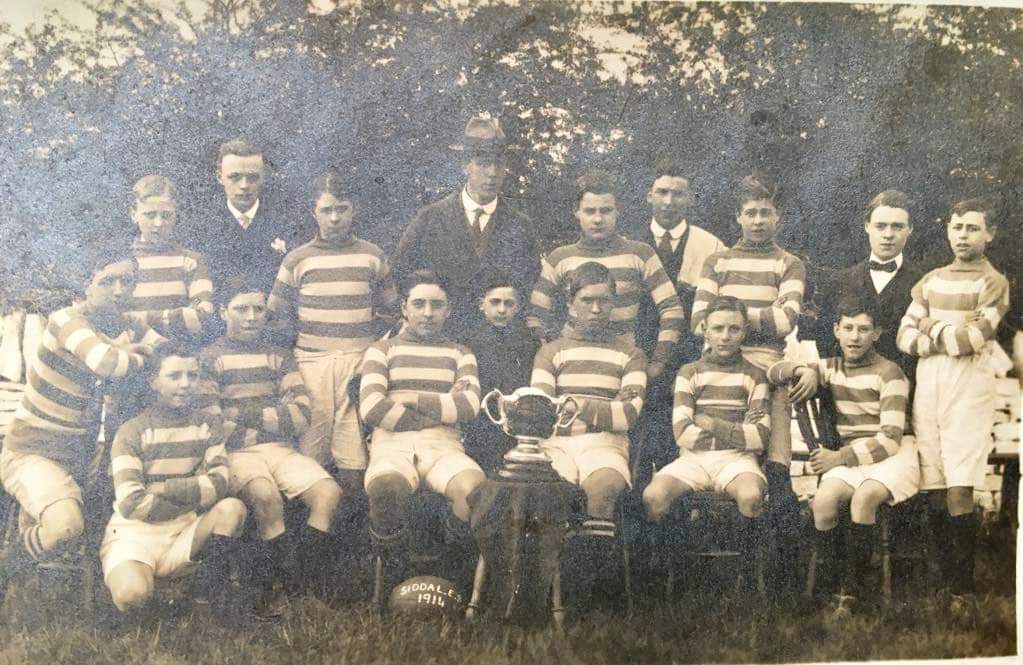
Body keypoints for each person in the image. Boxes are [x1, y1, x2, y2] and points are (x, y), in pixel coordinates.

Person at [0, 249, 164, 603]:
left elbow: (164, 355)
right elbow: (107, 362)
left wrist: (134, 349)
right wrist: (134, 353)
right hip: (33, 451)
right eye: (107, 281)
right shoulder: (65, 319)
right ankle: (8, 566)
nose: (119, 290)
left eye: (127, 281)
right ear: (85, 284)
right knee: (66, 528)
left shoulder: (128, 323)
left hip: (86, 458)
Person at [690, 173, 806, 599]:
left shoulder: (788, 263)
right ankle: (713, 571)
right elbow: (698, 320)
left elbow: (787, 319)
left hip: (765, 361)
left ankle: (772, 574)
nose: (758, 221)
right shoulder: (716, 261)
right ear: (737, 216)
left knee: (774, 451)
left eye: (766, 213)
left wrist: (730, 314)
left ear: (778, 216)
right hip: (718, 362)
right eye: (751, 213)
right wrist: (747, 319)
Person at [200, 279, 343, 612]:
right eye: (241, 309)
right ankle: (274, 591)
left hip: (279, 449)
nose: (251, 317)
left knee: (328, 493)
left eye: (258, 309)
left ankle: (302, 587)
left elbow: (301, 414)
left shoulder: (279, 356)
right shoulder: (210, 358)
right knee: (265, 495)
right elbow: (213, 424)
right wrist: (269, 418)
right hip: (235, 453)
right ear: (223, 312)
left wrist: (241, 413)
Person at [896, 197, 1010, 615]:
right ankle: (942, 582)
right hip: (929, 384)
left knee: (961, 485)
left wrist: (930, 327)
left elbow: (972, 342)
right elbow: (903, 337)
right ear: (948, 230)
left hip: (969, 389)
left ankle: (962, 590)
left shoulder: (993, 282)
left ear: (989, 234)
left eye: (973, 228)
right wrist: (942, 332)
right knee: (934, 485)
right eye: (958, 227)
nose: (964, 236)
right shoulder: (929, 280)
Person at [769, 296, 917, 614]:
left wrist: (839, 457)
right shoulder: (830, 368)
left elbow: (890, 438)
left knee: (864, 499)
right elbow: (774, 372)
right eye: (847, 328)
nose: (855, 337)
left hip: (892, 456)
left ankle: (855, 590)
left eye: (864, 329)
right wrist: (801, 369)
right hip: (852, 456)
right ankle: (830, 585)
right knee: (823, 501)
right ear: (836, 330)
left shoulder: (890, 374)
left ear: (877, 333)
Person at [358, 270, 485, 592]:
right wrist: (443, 407)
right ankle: (395, 579)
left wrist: (407, 398)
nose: (428, 313)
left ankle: (447, 574)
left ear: (449, 309)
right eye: (419, 304)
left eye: (436, 305)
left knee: (474, 490)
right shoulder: (381, 350)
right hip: (392, 445)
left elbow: (469, 405)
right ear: (404, 307)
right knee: (385, 488)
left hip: (445, 446)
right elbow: (372, 407)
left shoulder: (460, 352)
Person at [267, 173, 398, 482]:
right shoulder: (297, 259)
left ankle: (351, 525)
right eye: (327, 210)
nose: (335, 217)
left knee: (354, 455)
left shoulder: (372, 255)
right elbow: (276, 316)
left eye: (342, 208)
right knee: (310, 450)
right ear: (314, 212)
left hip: (357, 362)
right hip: (311, 363)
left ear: (354, 210)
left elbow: (394, 313)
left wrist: (373, 357)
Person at [531, 262, 647, 608]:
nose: (596, 310)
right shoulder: (551, 351)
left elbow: (627, 415)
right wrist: (600, 409)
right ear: (569, 305)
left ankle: (587, 595)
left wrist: (574, 404)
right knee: (552, 494)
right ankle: (550, 593)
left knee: (602, 488)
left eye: (604, 301)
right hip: (557, 445)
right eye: (587, 300)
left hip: (606, 445)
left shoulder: (631, 354)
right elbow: (542, 414)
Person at [101, 344, 247, 617]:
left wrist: (164, 488)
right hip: (135, 534)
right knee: (132, 597)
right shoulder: (133, 430)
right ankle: (163, 591)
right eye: (174, 376)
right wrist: (192, 490)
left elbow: (219, 484)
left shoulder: (207, 425)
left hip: (185, 530)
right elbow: (132, 504)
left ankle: (203, 598)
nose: (185, 384)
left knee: (231, 509)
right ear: (154, 381)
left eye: (192, 376)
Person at [642, 295, 769, 594]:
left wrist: (711, 423)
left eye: (734, 329)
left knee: (751, 495)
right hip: (692, 458)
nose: (725, 336)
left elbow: (759, 437)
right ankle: (665, 581)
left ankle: (747, 584)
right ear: (704, 329)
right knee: (653, 496)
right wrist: (737, 429)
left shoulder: (755, 375)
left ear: (745, 331)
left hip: (737, 460)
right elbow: (682, 433)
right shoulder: (690, 372)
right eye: (719, 328)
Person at [527, 170, 684, 383]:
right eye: (590, 211)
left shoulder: (640, 253)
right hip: (570, 366)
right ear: (577, 212)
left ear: (618, 211)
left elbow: (672, 309)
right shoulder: (559, 257)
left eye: (606, 210)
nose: (598, 219)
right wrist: (548, 352)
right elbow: (535, 313)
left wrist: (658, 362)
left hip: (622, 366)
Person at [393, 116, 541, 338]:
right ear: (465, 166)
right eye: (483, 164)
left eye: (498, 164)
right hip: (442, 341)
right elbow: (400, 272)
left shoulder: (520, 225)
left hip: (499, 344)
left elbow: (529, 284)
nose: (492, 173)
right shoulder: (431, 218)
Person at [634, 158, 727, 478]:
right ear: (649, 196)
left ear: (690, 198)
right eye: (661, 192)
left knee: (679, 442)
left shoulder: (711, 245)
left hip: (689, 358)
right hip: (638, 354)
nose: (669, 202)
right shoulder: (629, 242)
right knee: (636, 446)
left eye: (678, 193)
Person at [813, 190, 924, 391]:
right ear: (867, 227)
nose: (888, 234)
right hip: (846, 394)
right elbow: (825, 340)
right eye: (881, 226)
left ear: (910, 229)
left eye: (897, 226)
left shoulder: (924, 284)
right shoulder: (839, 281)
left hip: (905, 391)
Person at [192, 138, 308, 293]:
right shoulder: (200, 227)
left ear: (263, 177)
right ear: (220, 177)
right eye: (235, 177)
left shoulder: (287, 222)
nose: (244, 185)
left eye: (252, 177)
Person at [463, 272, 540, 475]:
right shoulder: (469, 342)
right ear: (482, 304)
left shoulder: (528, 342)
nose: (502, 310)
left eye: (509, 303)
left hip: (515, 420)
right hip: (480, 422)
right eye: (495, 302)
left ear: (518, 307)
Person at [126, 175, 215, 347]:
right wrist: (178, 316)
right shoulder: (121, 262)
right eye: (150, 215)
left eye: (166, 215)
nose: (158, 223)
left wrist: (135, 318)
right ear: (134, 214)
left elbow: (202, 316)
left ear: (175, 215)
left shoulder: (192, 260)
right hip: (132, 353)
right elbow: (111, 319)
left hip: (179, 354)